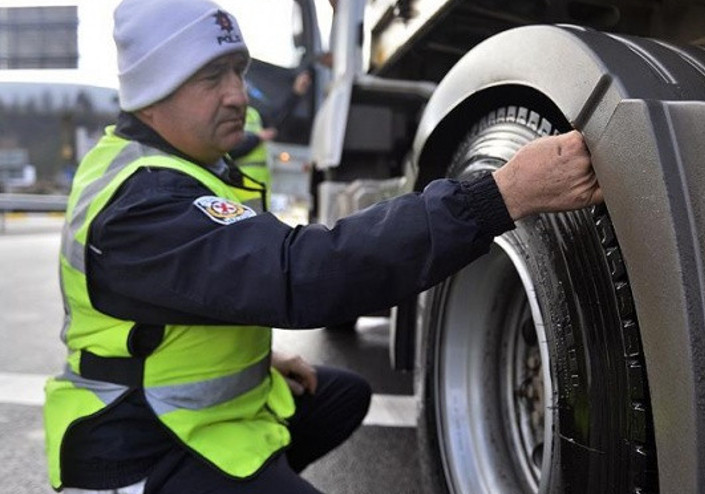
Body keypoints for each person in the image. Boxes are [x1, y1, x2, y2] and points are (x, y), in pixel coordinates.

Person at [43, 0, 602, 493]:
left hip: (190, 418)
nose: (239, 94)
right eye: (212, 77)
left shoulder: (185, 165)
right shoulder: (144, 199)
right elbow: (301, 274)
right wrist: (495, 198)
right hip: (138, 444)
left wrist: (259, 360)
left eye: (237, 71)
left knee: (342, 395)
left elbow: (202, 291)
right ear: (153, 90)